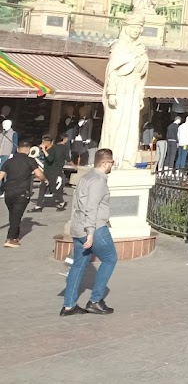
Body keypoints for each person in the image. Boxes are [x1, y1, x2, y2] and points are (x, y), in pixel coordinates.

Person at [61, 148, 116, 315]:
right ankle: (95, 300)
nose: (112, 165)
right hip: (94, 227)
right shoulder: (98, 181)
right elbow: (91, 208)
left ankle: (69, 305)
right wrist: (90, 233)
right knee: (110, 259)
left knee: (78, 265)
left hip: (78, 226)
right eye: (112, 162)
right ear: (105, 163)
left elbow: (77, 204)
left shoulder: (85, 177)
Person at [0, 139, 44, 247]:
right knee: (16, 215)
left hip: (8, 192)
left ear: (17, 149)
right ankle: (10, 239)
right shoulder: (30, 161)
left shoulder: (9, 161)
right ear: (29, 150)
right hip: (22, 192)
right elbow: (39, 174)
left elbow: (0, 176)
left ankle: (15, 236)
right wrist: (45, 179)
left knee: (13, 215)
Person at [31, 134, 68, 211]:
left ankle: (62, 202)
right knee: (42, 188)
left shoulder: (54, 149)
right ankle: (38, 206)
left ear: (49, 142)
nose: (43, 144)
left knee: (54, 189)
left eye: (44, 142)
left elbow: (50, 159)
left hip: (53, 173)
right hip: (46, 172)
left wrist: (44, 150)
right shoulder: (46, 150)